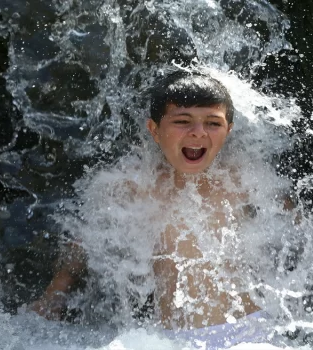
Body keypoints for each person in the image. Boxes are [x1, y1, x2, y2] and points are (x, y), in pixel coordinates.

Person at [31, 69, 276, 348]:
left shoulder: (242, 178)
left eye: (213, 123)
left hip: (253, 334)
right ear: (154, 130)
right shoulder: (135, 185)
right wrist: (55, 294)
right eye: (183, 121)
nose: (198, 132)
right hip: (174, 339)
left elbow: (304, 229)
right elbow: (87, 238)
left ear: (228, 130)